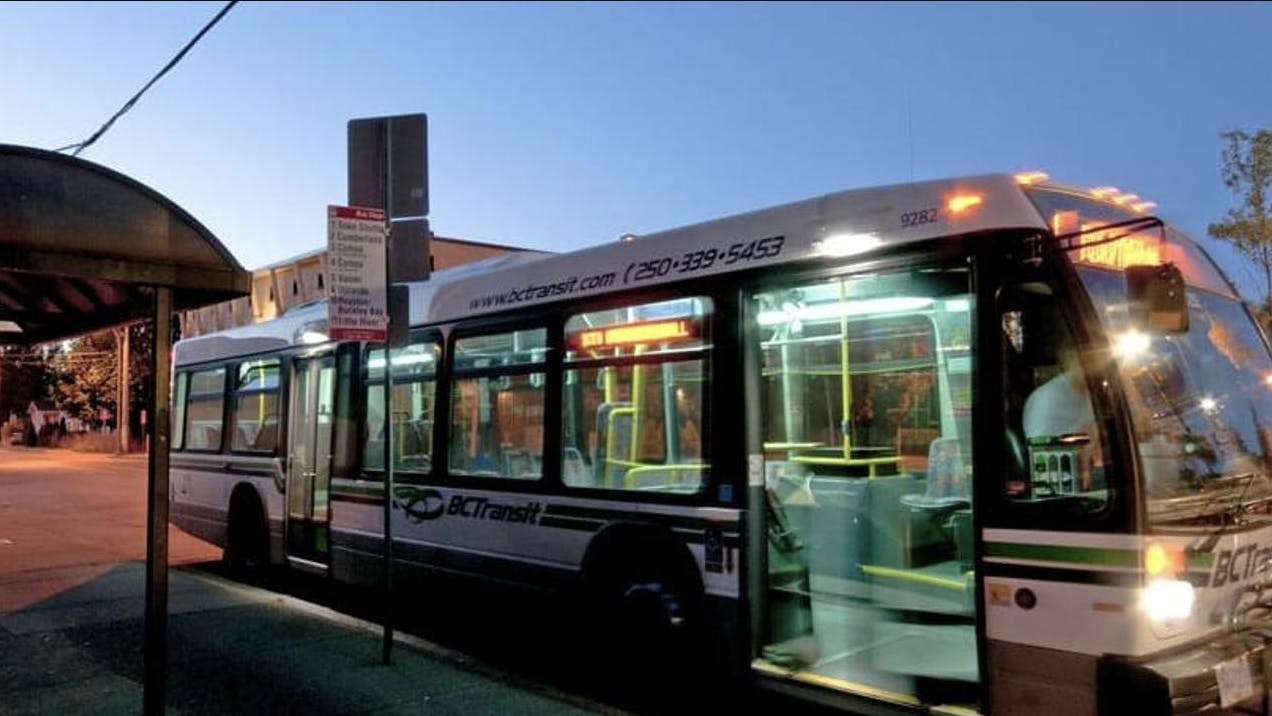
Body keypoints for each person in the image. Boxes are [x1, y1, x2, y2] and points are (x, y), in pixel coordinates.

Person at [1023, 344, 1099, 490]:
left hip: (1085, 478)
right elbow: (1041, 452)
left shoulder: (1090, 395)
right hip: (1059, 484)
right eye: (1090, 357)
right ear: (1070, 358)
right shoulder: (1049, 398)